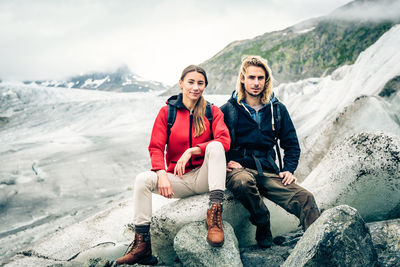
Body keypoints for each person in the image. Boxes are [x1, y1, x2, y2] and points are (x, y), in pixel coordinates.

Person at [115, 65, 231, 265]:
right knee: (143, 179)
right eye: (191, 82)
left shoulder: (212, 112)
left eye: (200, 83)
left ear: (205, 86)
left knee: (215, 147)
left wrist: (193, 150)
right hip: (178, 180)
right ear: (181, 83)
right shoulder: (167, 113)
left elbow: (224, 141)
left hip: (204, 178)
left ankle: (215, 216)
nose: (195, 87)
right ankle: (142, 245)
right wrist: (161, 173)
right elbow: (156, 147)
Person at [220, 55, 320, 248]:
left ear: (266, 80)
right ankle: (262, 221)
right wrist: (225, 162)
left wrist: (289, 169)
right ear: (242, 78)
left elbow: (291, 144)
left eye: (260, 78)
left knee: (306, 199)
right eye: (251, 77)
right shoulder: (227, 110)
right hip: (239, 169)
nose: (256, 83)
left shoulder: (277, 109)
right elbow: (214, 142)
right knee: (243, 181)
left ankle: (315, 247)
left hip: (268, 171)